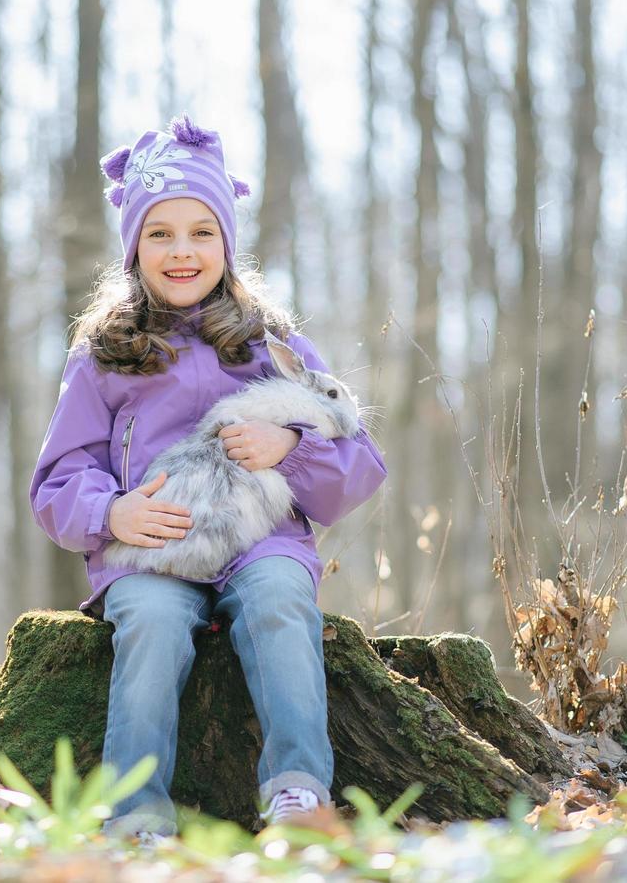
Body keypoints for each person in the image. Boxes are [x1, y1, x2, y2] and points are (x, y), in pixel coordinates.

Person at [28, 114, 387, 841]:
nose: (182, 251)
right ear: (133, 248)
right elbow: (58, 478)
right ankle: (136, 810)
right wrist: (110, 515)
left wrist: (287, 446)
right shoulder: (105, 354)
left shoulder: (268, 342)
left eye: (201, 232)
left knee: (282, 599)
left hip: (261, 542)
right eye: (159, 233)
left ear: (227, 242)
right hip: (153, 548)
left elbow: (358, 463)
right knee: (153, 625)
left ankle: (295, 789)